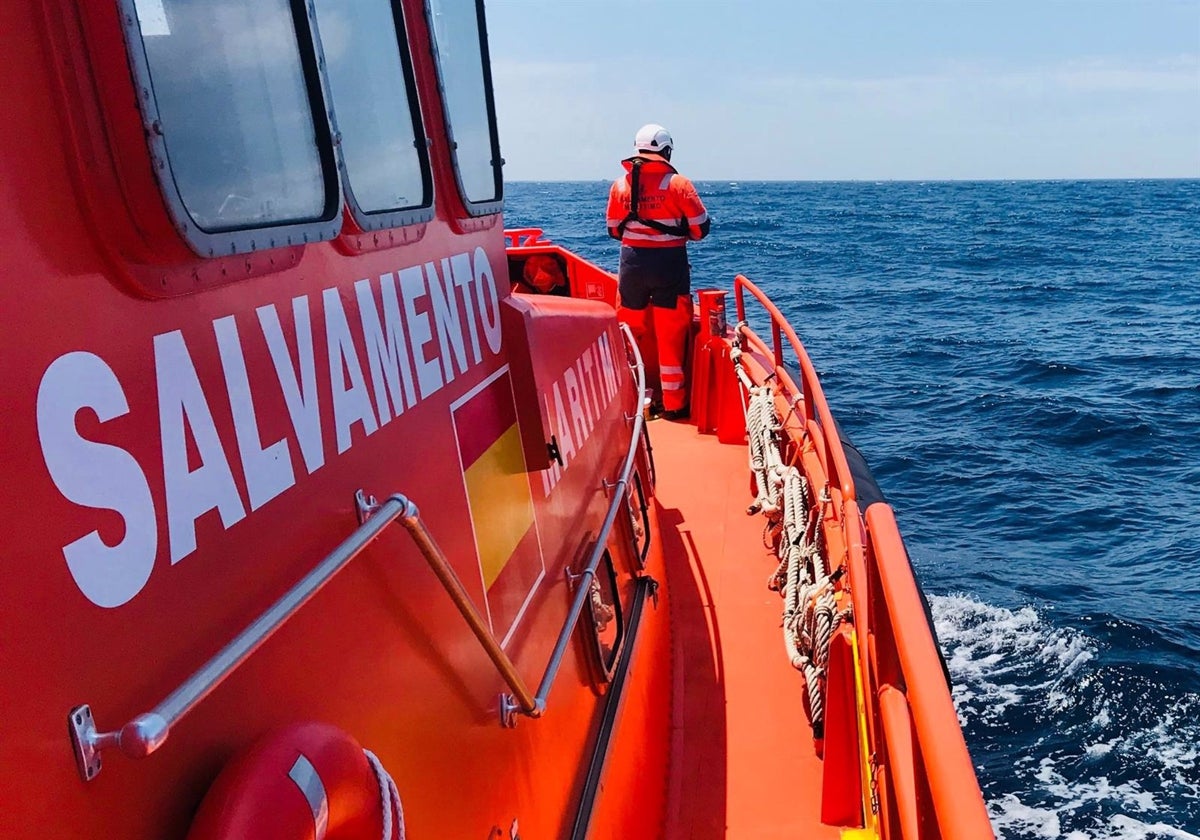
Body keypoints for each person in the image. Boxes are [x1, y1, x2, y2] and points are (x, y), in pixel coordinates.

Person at [605, 123, 710, 420]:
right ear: (665, 151)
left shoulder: (620, 186)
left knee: (628, 331)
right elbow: (701, 229)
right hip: (669, 266)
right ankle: (675, 406)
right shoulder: (679, 184)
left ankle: (630, 398)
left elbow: (614, 230)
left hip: (632, 266)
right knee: (671, 334)